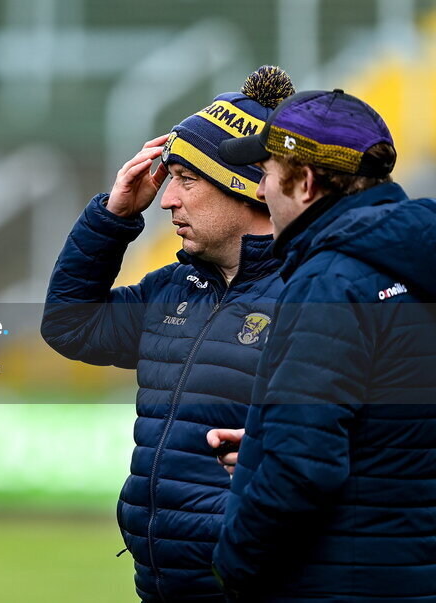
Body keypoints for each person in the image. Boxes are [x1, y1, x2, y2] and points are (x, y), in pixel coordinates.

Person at [41, 66, 294, 602]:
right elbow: (69, 325)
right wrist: (111, 220)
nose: (165, 199)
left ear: (243, 185)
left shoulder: (312, 293)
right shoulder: (173, 289)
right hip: (160, 583)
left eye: (186, 178)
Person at [210, 90, 436, 601]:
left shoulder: (330, 281)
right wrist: (269, 438)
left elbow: (303, 470)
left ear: (305, 184)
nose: (261, 188)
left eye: (265, 172)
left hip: (337, 582)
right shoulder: (415, 265)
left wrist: (233, 562)